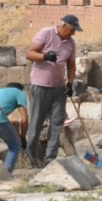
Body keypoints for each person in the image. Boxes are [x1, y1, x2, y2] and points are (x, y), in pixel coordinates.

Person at [24, 15, 81, 166]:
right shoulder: (46, 33)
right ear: (63, 27)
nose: (73, 34)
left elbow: (71, 65)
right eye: (72, 30)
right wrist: (45, 56)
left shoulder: (71, 43)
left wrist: (70, 84)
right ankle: (30, 158)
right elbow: (29, 54)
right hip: (41, 86)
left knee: (57, 125)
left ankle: (50, 159)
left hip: (59, 89)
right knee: (36, 124)